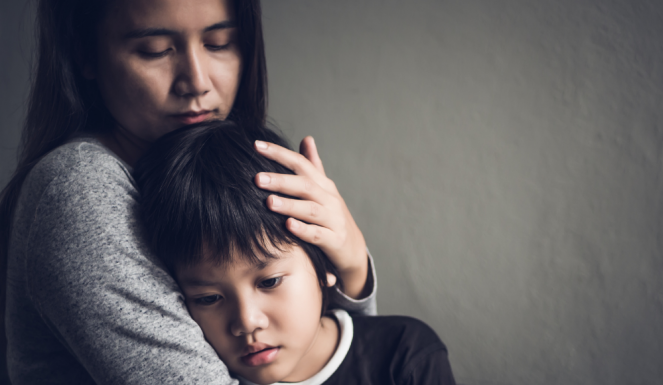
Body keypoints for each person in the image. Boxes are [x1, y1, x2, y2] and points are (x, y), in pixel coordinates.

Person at [1, 0, 377, 383]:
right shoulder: (80, 189)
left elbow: (357, 365)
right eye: (155, 51)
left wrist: (351, 265)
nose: (196, 81)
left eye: (218, 43)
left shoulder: (224, 173)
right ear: (86, 54)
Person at [133, 120, 456, 385]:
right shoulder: (199, 374)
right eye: (208, 298)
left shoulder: (405, 353)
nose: (246, 322)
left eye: (270, 282)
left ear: (324, 262)